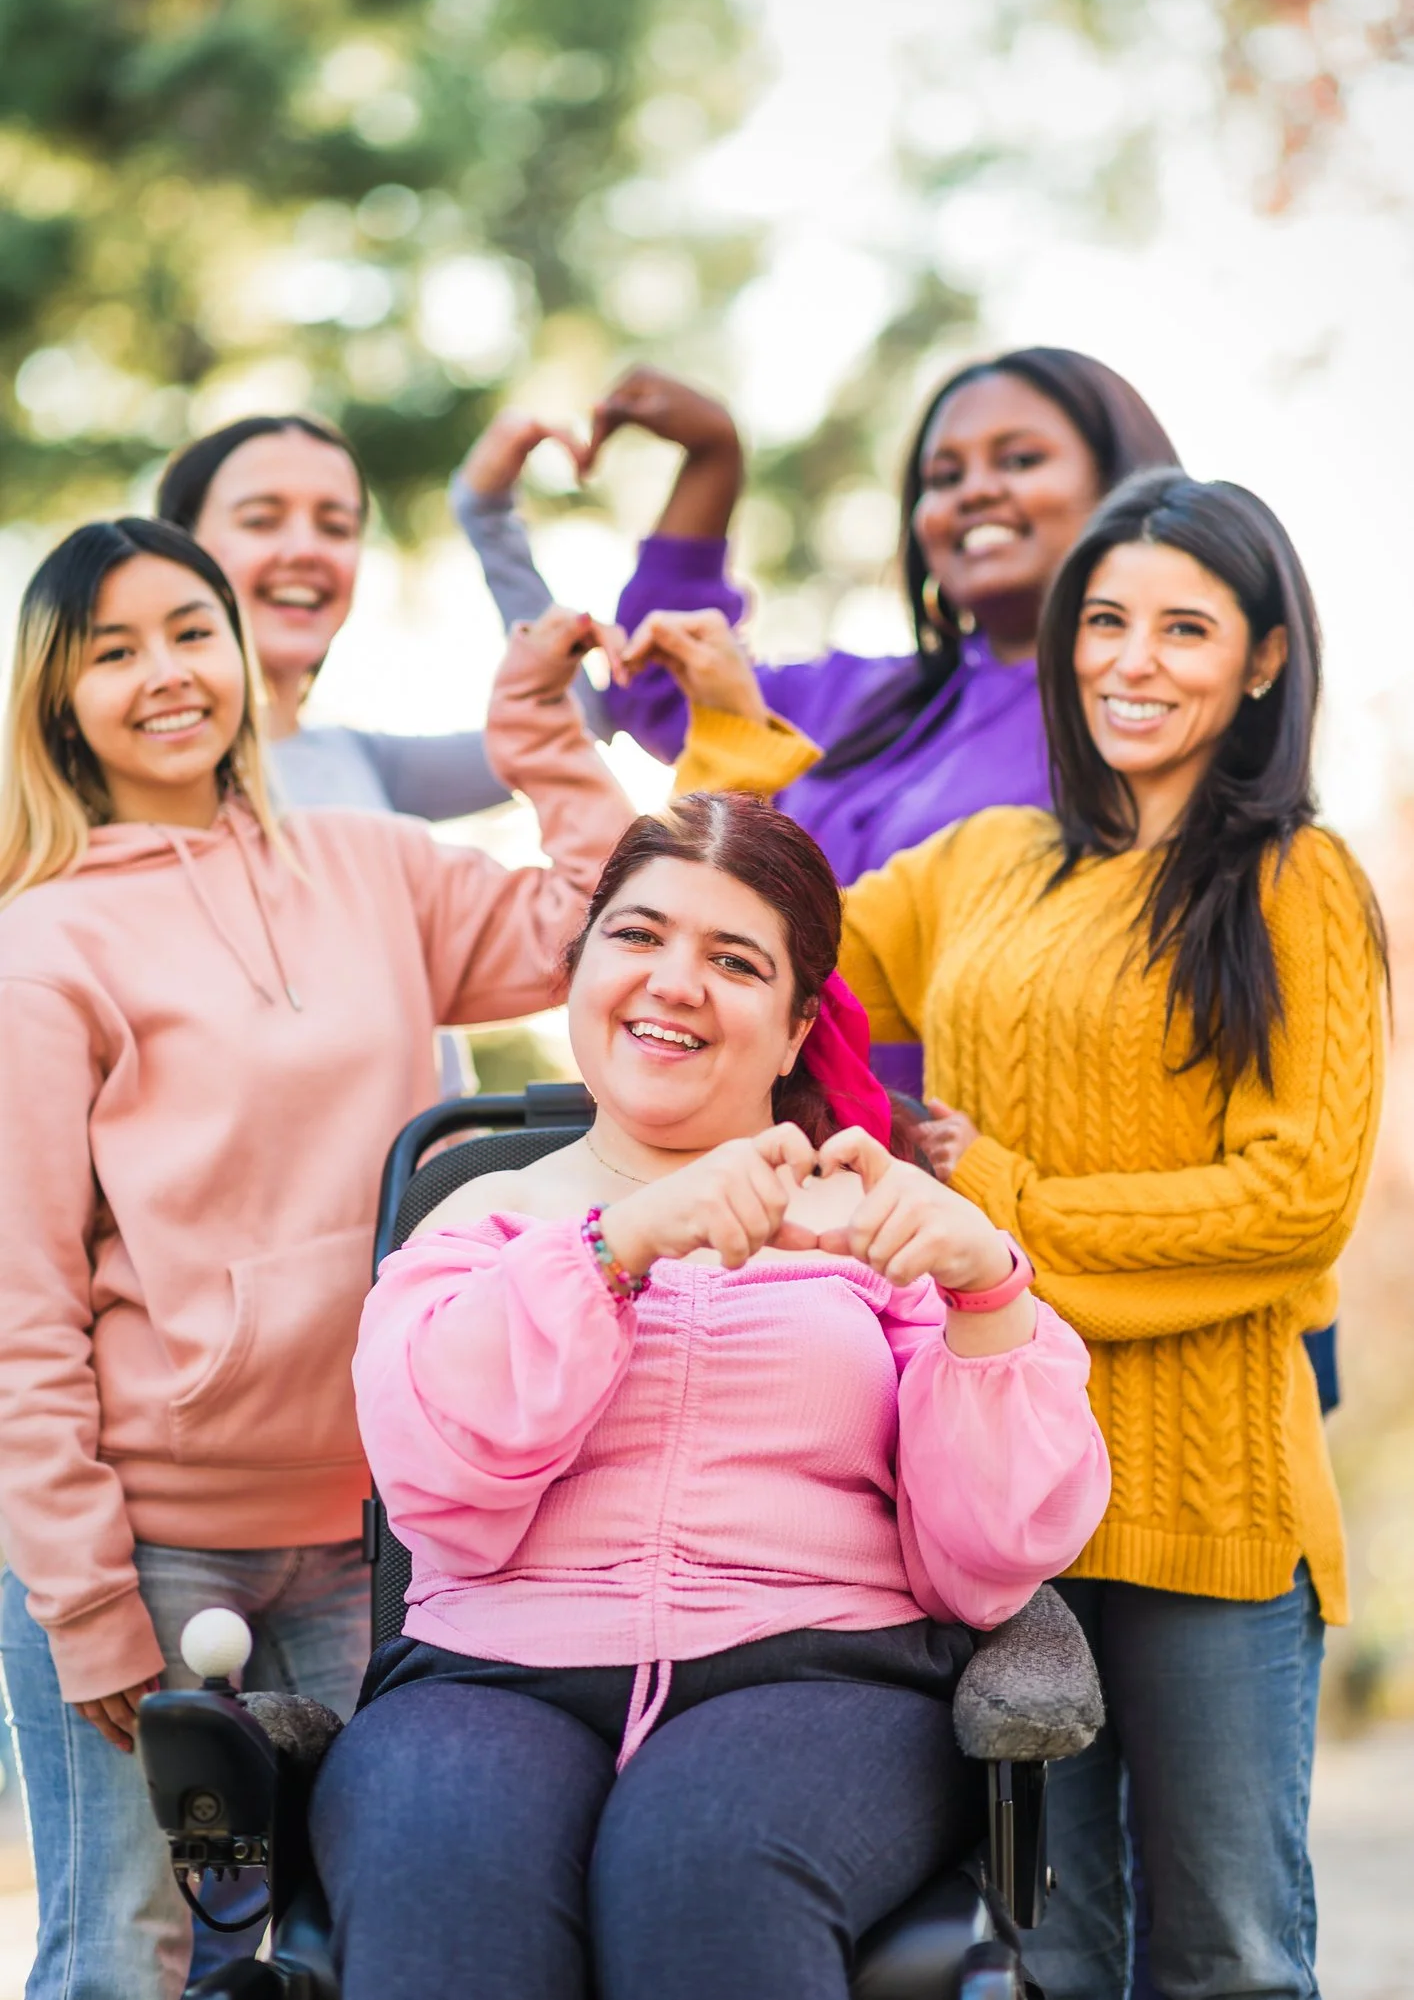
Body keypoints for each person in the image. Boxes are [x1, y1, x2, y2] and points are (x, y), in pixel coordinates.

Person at [658, 471, 1387, 1998]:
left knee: (1230, 1961)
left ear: (1260, 659)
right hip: (997, 1515)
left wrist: (996, 1205)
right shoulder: (986, 860)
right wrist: (726, 732)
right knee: (1036, 1962)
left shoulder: (1294, 879)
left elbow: (1291, 1204)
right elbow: (777, 952)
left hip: (1210, 1516)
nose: (1132, 658)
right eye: (1103, 620)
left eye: (1184, 627)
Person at [311, 792, 1111, 2000]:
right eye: (637, 937)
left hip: (820, 1678)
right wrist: (610, 1249)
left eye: (733, 960)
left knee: (701, 1862)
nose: (674, 981)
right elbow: (439, 1490)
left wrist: (987, 1291)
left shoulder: (879, 1236)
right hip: (489, 1671)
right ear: (576, 970)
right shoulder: (478, 1214)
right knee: (442, 1871)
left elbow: (988, 1561)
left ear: (794, 1031)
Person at [0, 516, 634, 2000]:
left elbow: (608, 932)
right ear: (57, 699)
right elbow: (20, 1306)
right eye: (114, 649)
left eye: (189, 631)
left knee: (366, 1934)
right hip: (153, 1545)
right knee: (126, 1954)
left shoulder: (371, 867)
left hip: (375, 1529)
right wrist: (88, 1605)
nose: (166, 673)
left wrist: (542, 738)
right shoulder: (42, 949)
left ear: (237, 656)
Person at [458, 353, 1180, 1098]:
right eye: (944, 477)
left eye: (1021, 459)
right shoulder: (866, 697)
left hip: (958, 1174)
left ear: (1122, 488)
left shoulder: (1144, 721)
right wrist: (714, 460)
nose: (976, 492)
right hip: (766, 1149)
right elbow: (660, 688)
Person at [157, 411, 595, 817]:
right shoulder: (114, 777)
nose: (306, 550)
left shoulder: (365, 765)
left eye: (336, 527)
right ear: (176, 549)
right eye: (261, 520)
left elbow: (575, 722)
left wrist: (486, 515)